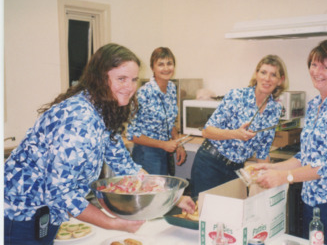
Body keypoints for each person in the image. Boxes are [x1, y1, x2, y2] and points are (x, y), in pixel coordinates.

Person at [3, 43, 195, 245]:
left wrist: (171, 198)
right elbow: (61, 193)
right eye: (121, 79)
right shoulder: (78, 119)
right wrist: (114, 223)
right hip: (19, 215)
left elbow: (125, 165)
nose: (130, 87)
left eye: (133, 80)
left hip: (44, 213)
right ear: (100, 79)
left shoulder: (102, 111)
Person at [251, 40, 327, 244]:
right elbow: (306, 156)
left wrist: (283, 177)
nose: (317, 72)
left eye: (326, 66)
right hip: (313, 201)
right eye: (314, 65)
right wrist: (272, 168)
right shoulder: (316, 104)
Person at [190, 55, 288, 197]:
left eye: (273, 75)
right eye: (263, 72)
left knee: (232, 217)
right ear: (256, 74)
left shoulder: (275, 109)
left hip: (236, 170)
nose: (267, 78)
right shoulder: (237, 96)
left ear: (280, 80)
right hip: (210, 164)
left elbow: (263, 152)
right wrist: (236, 134)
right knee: (204, 215)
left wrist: (269, 181)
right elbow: (207, 131)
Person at [127, 47, 186, 175]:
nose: (166, 68)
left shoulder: (171, 88)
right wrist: (163, 145)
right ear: (152, 68)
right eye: (160, 64)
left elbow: (169, 122)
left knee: (163, 191)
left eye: (169, 63)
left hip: (165, 151)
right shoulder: (143, 94)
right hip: (147, 154)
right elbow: (132, 135)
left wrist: (179, 144)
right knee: (152, 192)